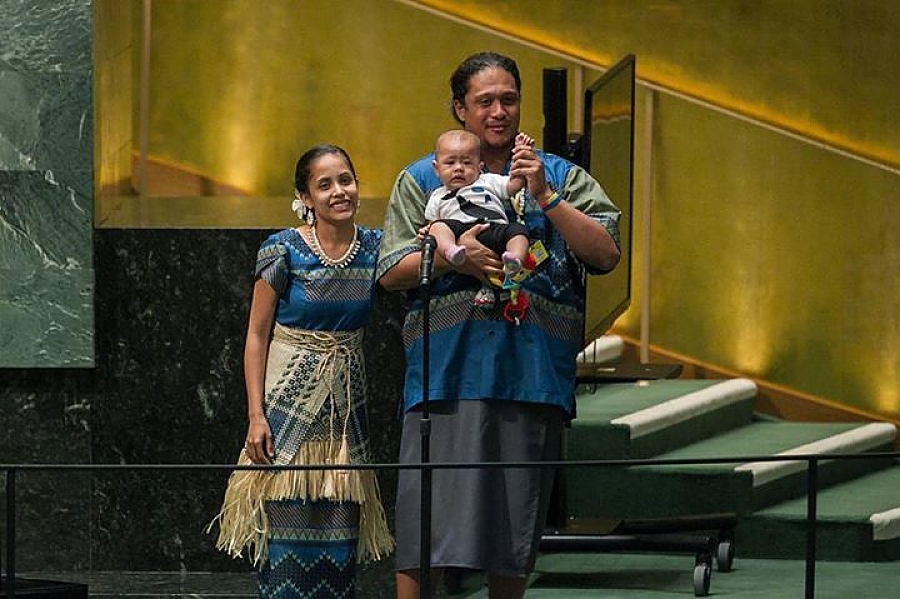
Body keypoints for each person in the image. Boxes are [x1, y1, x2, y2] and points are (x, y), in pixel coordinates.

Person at [377, 52, 621, 599]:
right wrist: (452, 256)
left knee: (513, 526)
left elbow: (605, 255)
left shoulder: (557, 175)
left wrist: (545, 197)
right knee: (424, 521)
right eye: (484, 101)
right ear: (459, 108)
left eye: (508, 99)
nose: (498, 111)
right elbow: (391, 271)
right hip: (446, 371)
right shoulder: (423, 178)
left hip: (528, 372)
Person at [209, 144, 393, 598]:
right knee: (287, 550)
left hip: (345, 420)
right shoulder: (282, 250)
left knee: (339, 550)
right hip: (288, 413)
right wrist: (256, 416)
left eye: (346, 180)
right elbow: (256, 336)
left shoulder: (375, 246)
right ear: (305, 197)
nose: (339, 191)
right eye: (325, 184)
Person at [425, 129, 533, 286]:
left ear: (479, 167)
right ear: (436, 169)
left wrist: (520, 156)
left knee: (518, 231)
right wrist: (427, 230)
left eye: (467, 162)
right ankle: (451, 251)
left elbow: (514, 185)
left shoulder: (487, 181)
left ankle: (514, 259)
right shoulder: (437, 196)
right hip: (459, 231)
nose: (458, 168)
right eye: (450, 163)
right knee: (438, 227)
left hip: (493, 227)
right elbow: (432, 224)